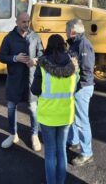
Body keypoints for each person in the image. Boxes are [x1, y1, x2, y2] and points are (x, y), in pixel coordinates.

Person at [31, 34, 78, 184]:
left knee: (50, 153)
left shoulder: (42, 65)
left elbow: (35, 90)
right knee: (61, 150)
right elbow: (75, 87)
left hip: (47, 116)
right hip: (65, 115)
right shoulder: (72, 65)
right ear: (63, 45)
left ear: (49, 46)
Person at [0, 12, 44, 151]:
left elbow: (43, 55)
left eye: (28, 21)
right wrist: (14, 58)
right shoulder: (9, 38)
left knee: (33, 109)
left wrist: (35, 61)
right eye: (23, 21)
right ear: (17, 22)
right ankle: (13, 134)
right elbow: (1, 56)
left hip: (31, 80)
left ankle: (34, 135)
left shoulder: (35, 37)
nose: (26, 24)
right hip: (14, 80)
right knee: (12, 108)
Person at [66, 18, 95, 166]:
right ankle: (74, 140)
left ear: (72, 31)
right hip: (77, 87)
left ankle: (87, 153)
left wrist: (77, 86)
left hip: (82, 88)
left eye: (66, 30)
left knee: (82, 121)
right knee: (75, 117)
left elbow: (87, 70)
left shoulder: (83, 45)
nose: (65, 33)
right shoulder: (75, 43)